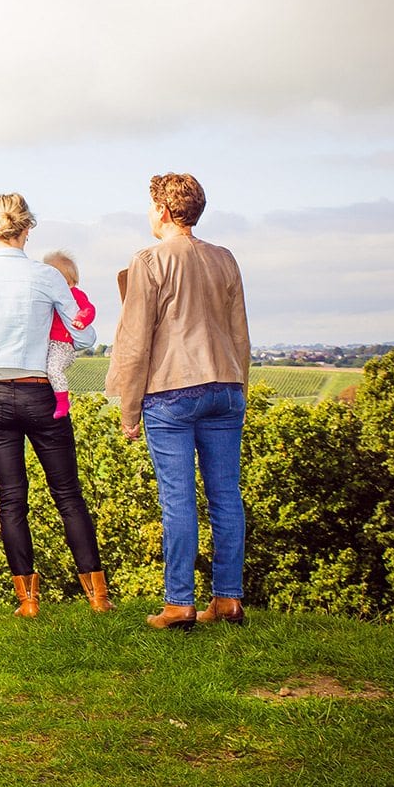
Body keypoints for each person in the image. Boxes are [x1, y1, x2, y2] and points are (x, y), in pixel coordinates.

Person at [0, 193, 109, 616]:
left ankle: (28, 601)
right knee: (68, 495)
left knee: (12, 499)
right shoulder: (47, 277)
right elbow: (85, 337)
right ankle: (98, 597)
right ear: (28, 228)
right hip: (41, 391)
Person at [106, 173, 251, 631]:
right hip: (226, 386)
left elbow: (134, 341)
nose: (150, 214)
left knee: (178, 500)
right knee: (226, 496)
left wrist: (129, 410)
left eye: (151, 207)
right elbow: (239, 333)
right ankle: (228, 600)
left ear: (164, 211)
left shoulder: (149, 260)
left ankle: (179, 604)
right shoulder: (225, 259)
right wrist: (238, 387)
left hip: (171, 390)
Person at [41, 250, 96, 420]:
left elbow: (89, 309)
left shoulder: (75, 294)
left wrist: (81, 319)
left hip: (63, 345)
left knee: (53, 369)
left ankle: (63, 402)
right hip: (50, 344)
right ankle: (52, 398)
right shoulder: (49, 296)